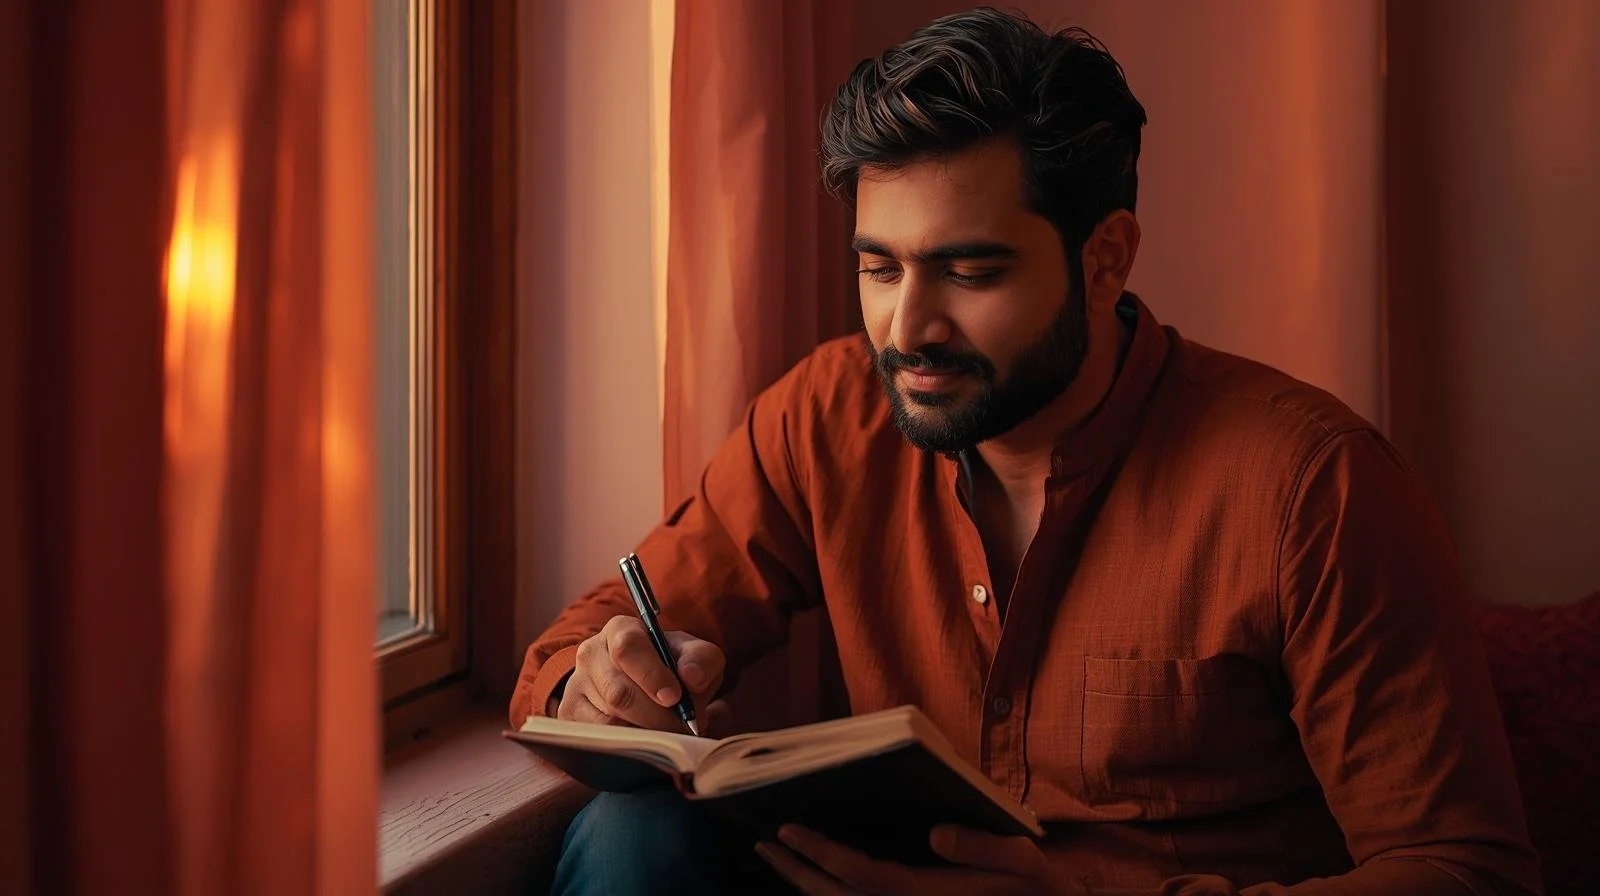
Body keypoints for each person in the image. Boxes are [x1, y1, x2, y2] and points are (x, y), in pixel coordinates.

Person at [512, 7, 1542, 895]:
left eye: (968, 270)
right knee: (633, 833)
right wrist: (601, 687)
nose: (906, 327)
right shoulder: (828, 414)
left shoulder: (1310, 486)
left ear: (1105, 259)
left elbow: (1466, 871)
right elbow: (581, 646)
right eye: (878, 268)